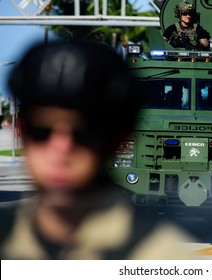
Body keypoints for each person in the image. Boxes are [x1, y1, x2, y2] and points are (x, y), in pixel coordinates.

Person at [0, 41, 194, 260]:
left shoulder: (161, 258)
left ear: (119, 138)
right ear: (21, 131)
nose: (61, 149)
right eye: (41, 131)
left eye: (83, 132)